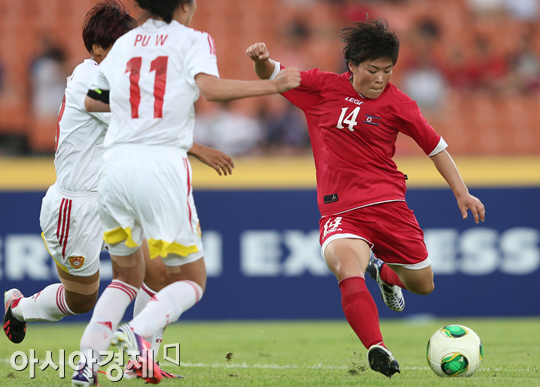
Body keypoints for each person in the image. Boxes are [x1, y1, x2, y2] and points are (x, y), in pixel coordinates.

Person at [2, 1, 233, 380]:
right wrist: (196, 147)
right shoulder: (86, 79)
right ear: (97, 50)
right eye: (119, 44)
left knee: (157, 275)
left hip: (114, 194)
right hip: (74, 206)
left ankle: (142, 355)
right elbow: (141, 115)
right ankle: (20, 308)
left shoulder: (120, 77)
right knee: (81, 299)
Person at [76, 0, 300, 385]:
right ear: (184, 6)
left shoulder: (126, 42)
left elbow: (92, 99)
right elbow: (210, 91)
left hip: (113, 167)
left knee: (126, 278)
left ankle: (86, 364)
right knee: (192, 280)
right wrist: (272, 84)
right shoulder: (193, 39)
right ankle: (140, 332)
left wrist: (139, 111)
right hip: (160, 168)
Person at [246, 18, 485, 378]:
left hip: (388, 205)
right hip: (340, 208)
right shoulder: (322, 87)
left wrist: (461, 191)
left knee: (424, 285)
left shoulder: (399, 103)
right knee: (345, 266)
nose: (381, 78)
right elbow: (274, 74)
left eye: (388, 71)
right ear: (353, 66)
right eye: (373, 70)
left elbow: (435, 146)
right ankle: (377, 346)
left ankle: (384, 274)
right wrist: (260, 60)